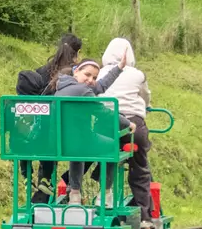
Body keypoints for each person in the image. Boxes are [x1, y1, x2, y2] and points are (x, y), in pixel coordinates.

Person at [14, 33, 81, 202]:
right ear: (77, 53)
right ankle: (63, 183)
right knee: (84, 152)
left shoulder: (42, 71)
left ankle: (37, 182)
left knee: (42, 138)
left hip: (36, 133)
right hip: (62, 133)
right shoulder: (74, 75)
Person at [48, 59, 123, 205]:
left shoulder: (62, 86)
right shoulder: (83, 91)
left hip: (58, 143)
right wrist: (128, 123)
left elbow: (100, 86)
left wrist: (118, 68)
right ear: (76, 71)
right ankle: (105, 194)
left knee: (77, 150)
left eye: (94, 77)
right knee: (113, 146)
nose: (91, 80)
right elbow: (103, 113)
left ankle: (75, 195)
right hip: (79, 142)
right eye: (87, 75)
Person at [99, 37, 155, 211]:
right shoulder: (137, 74)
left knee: (105, 157)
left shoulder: (100, 73)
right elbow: (145, 95)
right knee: (139, 167)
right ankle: (144, 213)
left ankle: (104, 194)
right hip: (132, 126)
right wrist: (146, 107)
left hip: (105, 126)